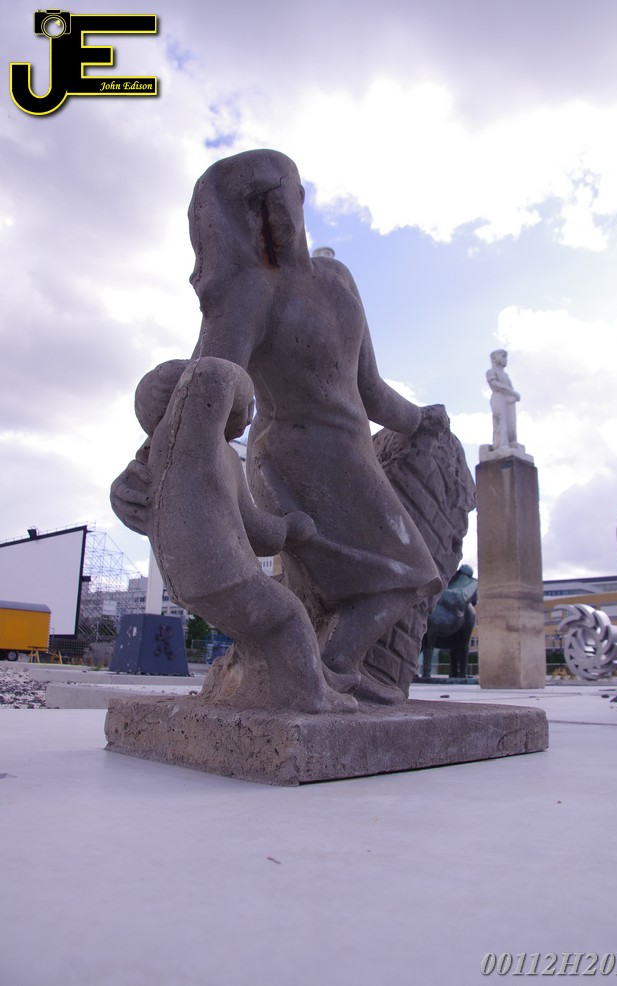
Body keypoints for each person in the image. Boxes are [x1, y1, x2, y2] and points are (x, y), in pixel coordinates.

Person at [187, 149, 442, 693]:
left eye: (282, 195)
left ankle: (323, 673)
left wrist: (421, 419)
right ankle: (328, 673)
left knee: (396, 578)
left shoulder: (338, 279)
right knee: (404, 574)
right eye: (259, 202)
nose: (276, 211)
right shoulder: (250, 292)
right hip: (293, 461)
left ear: (300, 198)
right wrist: (164, 455)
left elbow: (370, 390)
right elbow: (208, 385)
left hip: (349, 456)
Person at [115, 355, 357, 715]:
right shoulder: (189, 442)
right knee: (289, 614)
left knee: (264, 630)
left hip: (192, 578)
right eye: (247, 405)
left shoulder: (219, 457)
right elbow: (211, 373)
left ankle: (311, 675)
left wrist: (289, 529)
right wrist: (241, 382)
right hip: (219, 570)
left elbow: (256, 531)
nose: (249, 415)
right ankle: (310, 695)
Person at [486, 349, 520, 448]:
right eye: (503, 356)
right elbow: (495, 385)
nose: (505, 359)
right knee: (501, 421)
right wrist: (513, 393)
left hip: (508, 400)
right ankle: (501, 445)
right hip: (498, 398)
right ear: (494, 358)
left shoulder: (505, 375)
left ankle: (511, 443)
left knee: (511, 425)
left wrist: (512, 395)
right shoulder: (491, 372)